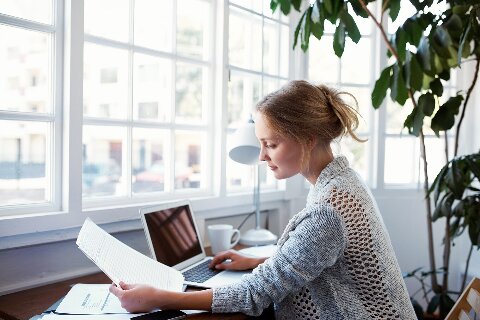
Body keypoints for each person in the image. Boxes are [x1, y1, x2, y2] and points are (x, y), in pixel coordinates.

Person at [110, 80, 417, 319]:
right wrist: (259, 261)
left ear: (308, 139)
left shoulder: (328, 211)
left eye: (270, 143)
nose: (262, 156)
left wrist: (158, 297)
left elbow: (254, 295)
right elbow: (320, 258)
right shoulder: (343, 181)